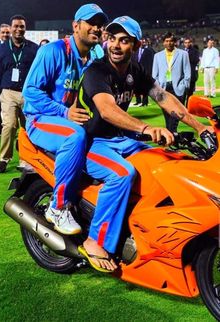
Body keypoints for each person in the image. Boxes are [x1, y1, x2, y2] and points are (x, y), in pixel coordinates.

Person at [76, 16, 214, 272]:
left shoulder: (134, 71)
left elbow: (163, 96)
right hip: (92, 143)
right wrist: (146, 128)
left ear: (136, 46)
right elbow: (107, 110)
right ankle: (95, 240)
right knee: (122, 174)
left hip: (120, 140)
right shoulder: (97, 70)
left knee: (161, 161)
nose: (116, 45)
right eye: (113, 39)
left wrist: (199, 126)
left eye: (124, 40)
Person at [22, 4, 108, 235]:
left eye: (100, 25)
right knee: (74, 135)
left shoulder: (96, 57)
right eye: (91, 23)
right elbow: (30, 91)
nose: (96, 28)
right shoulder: (53, 51)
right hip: (41, 119)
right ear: (75, 25)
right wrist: (64, 112)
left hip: (73, 121)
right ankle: (58, 206)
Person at [0, 15, 38, 173]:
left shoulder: (33, 48)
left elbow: (39, 73)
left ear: (25, 28)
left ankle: (26, 159)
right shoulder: (1, 49)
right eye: (15, 26)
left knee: (28, 127)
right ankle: (4, 158)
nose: (18, 29)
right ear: (10, 28)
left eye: (21, 26)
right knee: (9, 125)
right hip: (8, 92)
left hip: (27, 93)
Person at [152, 32, 191, 133]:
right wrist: (158, 88)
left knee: (176, 113)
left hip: (178, 88)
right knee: (167, 114)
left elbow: (187, 73)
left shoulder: (183, 54)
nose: (169, 43)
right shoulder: (157, 56)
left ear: (175, 42)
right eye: (167, 41)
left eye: (171, 41)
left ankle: (171, 133)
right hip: (163, 88)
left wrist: (184, 85)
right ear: (163, 43)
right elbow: (154, 75)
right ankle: (172, 135)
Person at [132, 37, 155, 106]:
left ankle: (145, 102)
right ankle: (138, 100)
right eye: (141, 41)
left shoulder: (149, 51)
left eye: (144, 42)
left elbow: (150, 62)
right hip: (136, 71)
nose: (142, 43)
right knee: (136, 87)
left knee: (145, 87)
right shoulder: (136, 51)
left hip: (145, 72)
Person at [183, 37, 200, 105]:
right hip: (183, 75)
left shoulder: (195, 51)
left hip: (191, 74)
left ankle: (188, 107)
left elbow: (195, 60)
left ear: (191, 43)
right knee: (182, 92)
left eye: (188, 42)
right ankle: (181, 107)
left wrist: (186, 58)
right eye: (185, 42)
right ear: (184, 43)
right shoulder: (182, 51)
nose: (187, 44)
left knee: (190, 93)